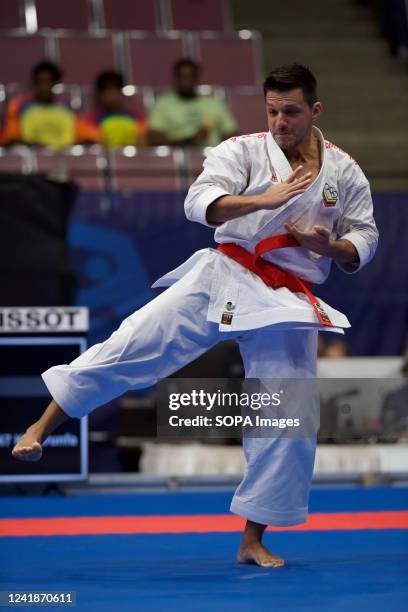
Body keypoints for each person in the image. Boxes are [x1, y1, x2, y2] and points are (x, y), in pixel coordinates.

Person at [12, 63, 378, 568]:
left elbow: (366, 234)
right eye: (272, 111)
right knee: (132, 342)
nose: (279, 122)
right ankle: (40, 427)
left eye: (290, 112)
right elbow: (198, 201)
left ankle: (253, 538)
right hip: (224, 274)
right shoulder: (242, 150)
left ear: (314, 110)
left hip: (286, 299)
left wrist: (330, 246)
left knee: (290, 414)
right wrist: (263, 199)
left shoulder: (344, 170)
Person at [0, 61, 99, 150]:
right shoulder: (20, 107)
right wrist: (32, 146)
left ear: (56, 84)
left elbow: (88, 136)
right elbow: (9, 139)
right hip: (32, 162)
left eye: (48, 81)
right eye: (40, 82)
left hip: (63, 161)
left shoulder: (67, 110)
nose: (44, 87)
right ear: (34, 83)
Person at [148, 58, 237, 147]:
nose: (186, 82)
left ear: (196, 78)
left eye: (190, 76)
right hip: (176, 157)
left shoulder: (214, 104)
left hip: (212, 155)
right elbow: (154, 139)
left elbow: (233, 135)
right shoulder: (162, 104)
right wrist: (190, 140)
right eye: (182, 77)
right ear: (175, 78)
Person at [87, 71, 147, 148]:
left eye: (115, 90)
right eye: (107, 90)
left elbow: (143, 142)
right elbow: (96, 144)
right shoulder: (93, 119)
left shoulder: (136, 116)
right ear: (100, 94)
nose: (111, 95)